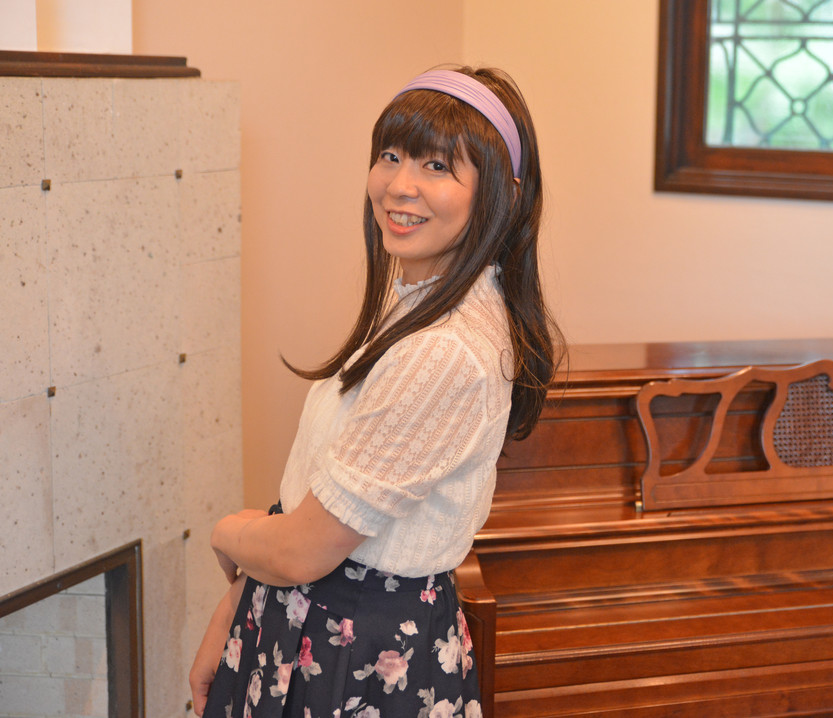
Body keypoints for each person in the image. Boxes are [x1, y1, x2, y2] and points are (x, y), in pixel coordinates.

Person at [188, 65, 559, 718]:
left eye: (437, 166)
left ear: (500, 195)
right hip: (304, 620)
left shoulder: (444, 351)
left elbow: (304, 549)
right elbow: (319, 503)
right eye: (390, 156)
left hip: (354, 654)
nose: (399, 185)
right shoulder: (419, 298)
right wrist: (238, 604)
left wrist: (227, 531)